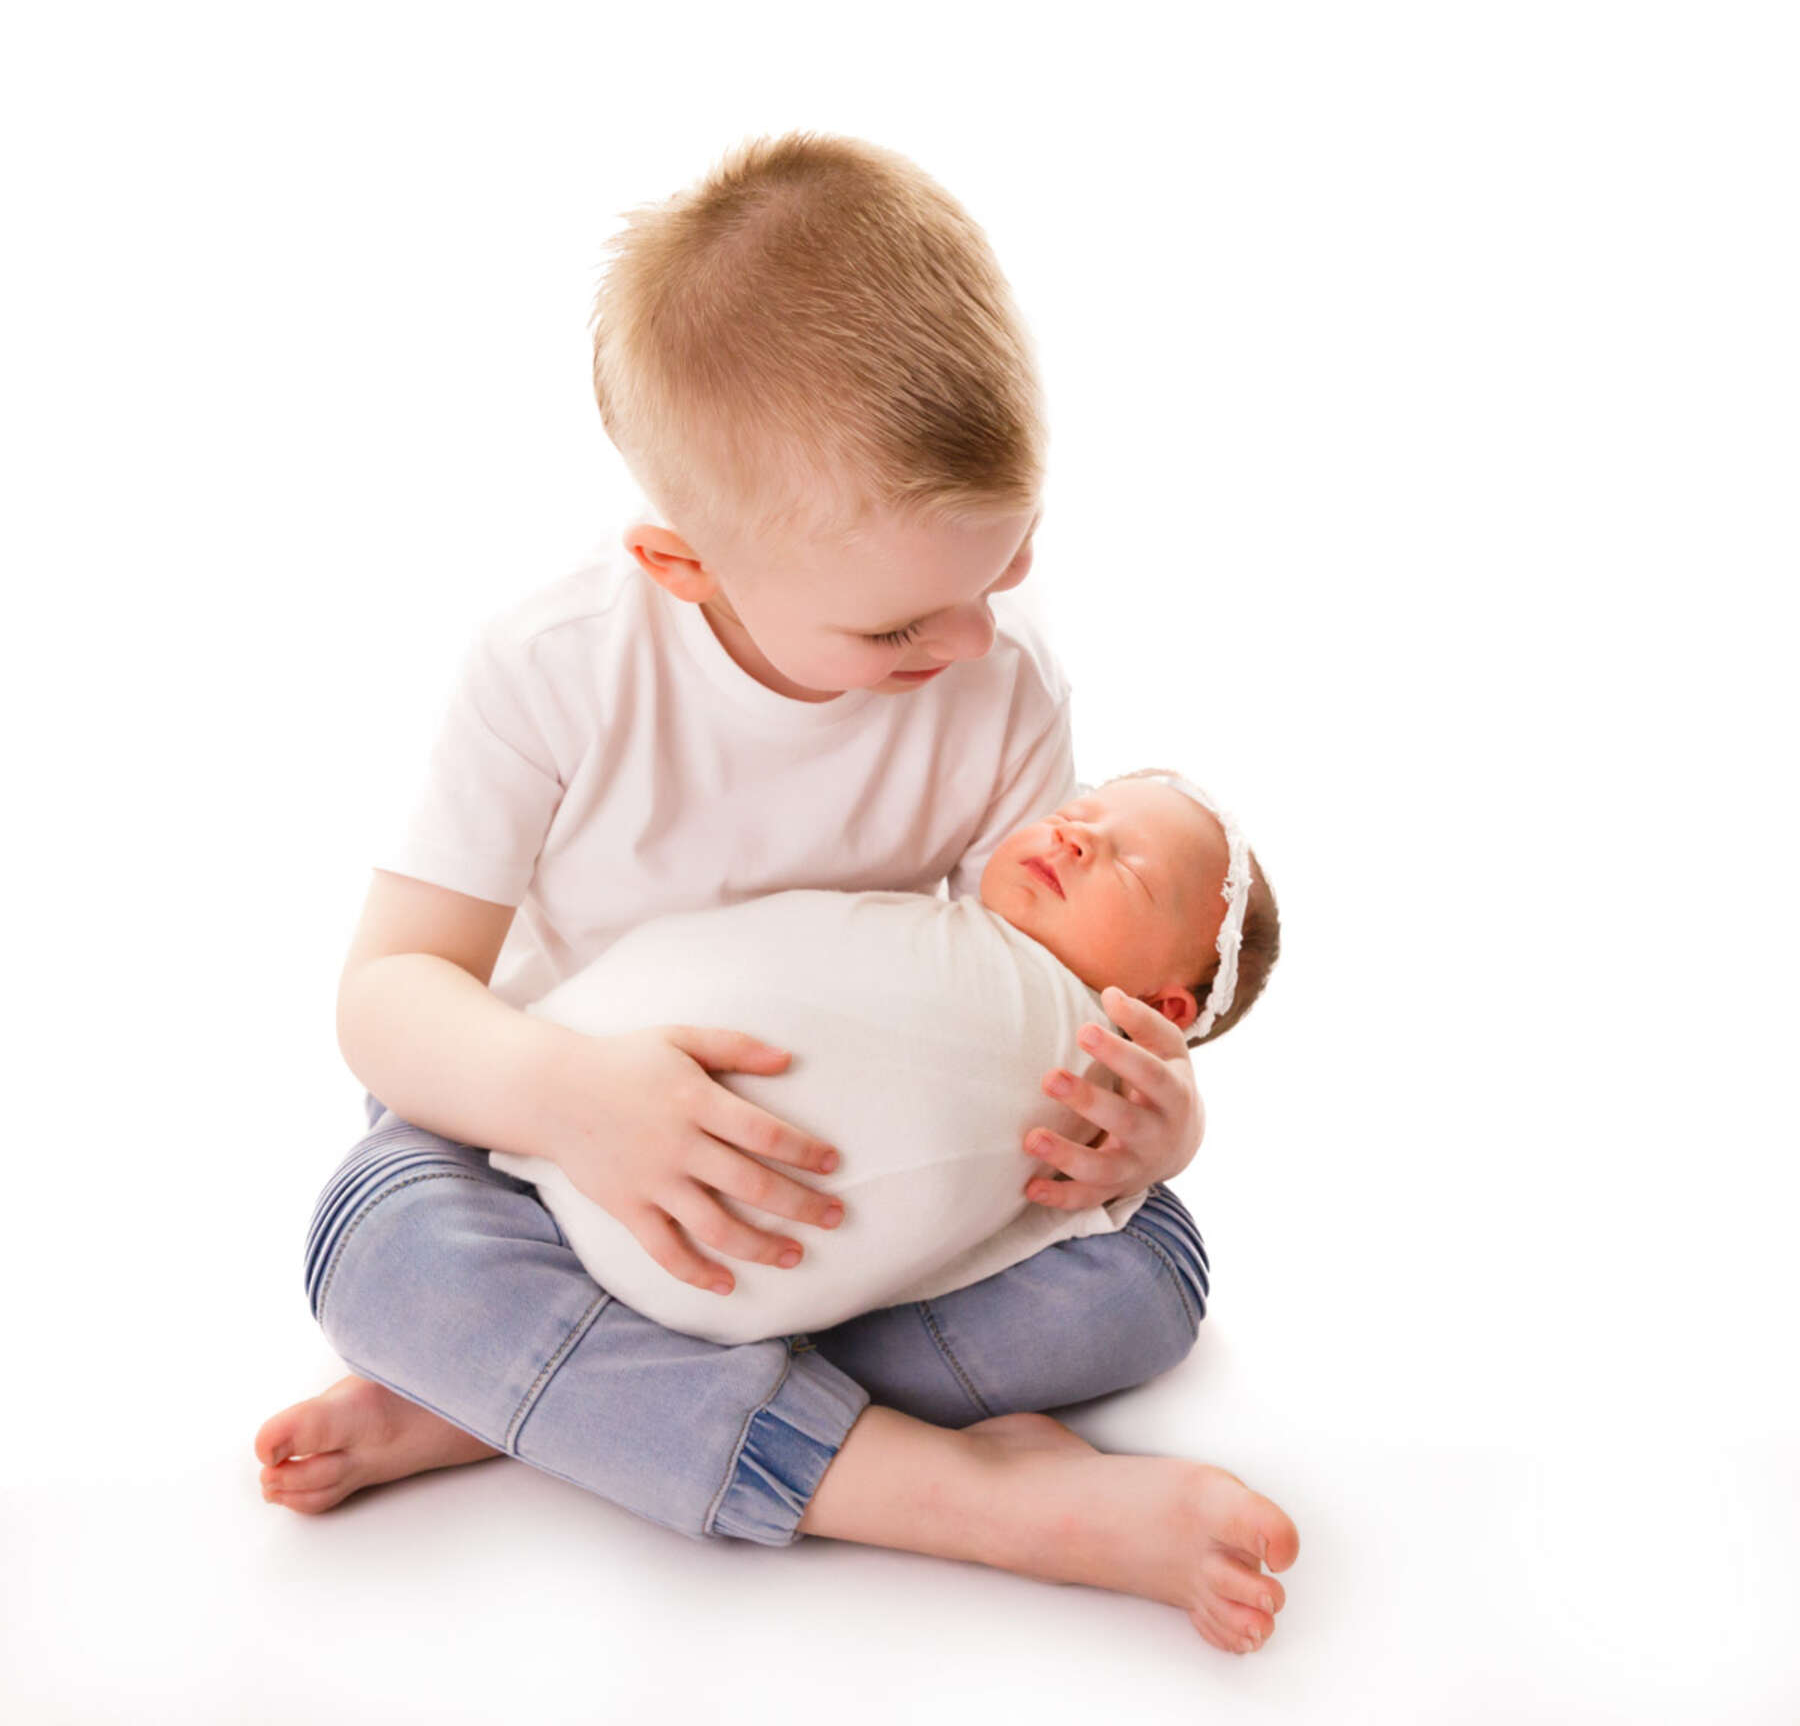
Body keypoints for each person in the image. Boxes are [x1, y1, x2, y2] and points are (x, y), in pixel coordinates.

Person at [254, 132, 1299, 1656]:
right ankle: (961, 1495)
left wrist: (1142, 1126)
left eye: (1001, 573)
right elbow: (389, 994)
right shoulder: (552, 672)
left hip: (847, 1198)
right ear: (685, 567)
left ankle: (553, 1399)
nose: (963, 646)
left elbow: (1030, 992)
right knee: (382, 1248)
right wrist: (571, 1102)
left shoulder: (1000, 690)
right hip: (556, 1158)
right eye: (898, 630)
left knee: (1144, 1283)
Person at [495, 771, 1280, 1348]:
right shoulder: (931, 928)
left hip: (677, 1255)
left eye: (1130, 870)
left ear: (1167, 1007)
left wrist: (1173, 1135)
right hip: (557, 1091)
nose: (1074, 835)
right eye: (1075, 811)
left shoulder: (1084, 1058)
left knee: (1140, 1293)